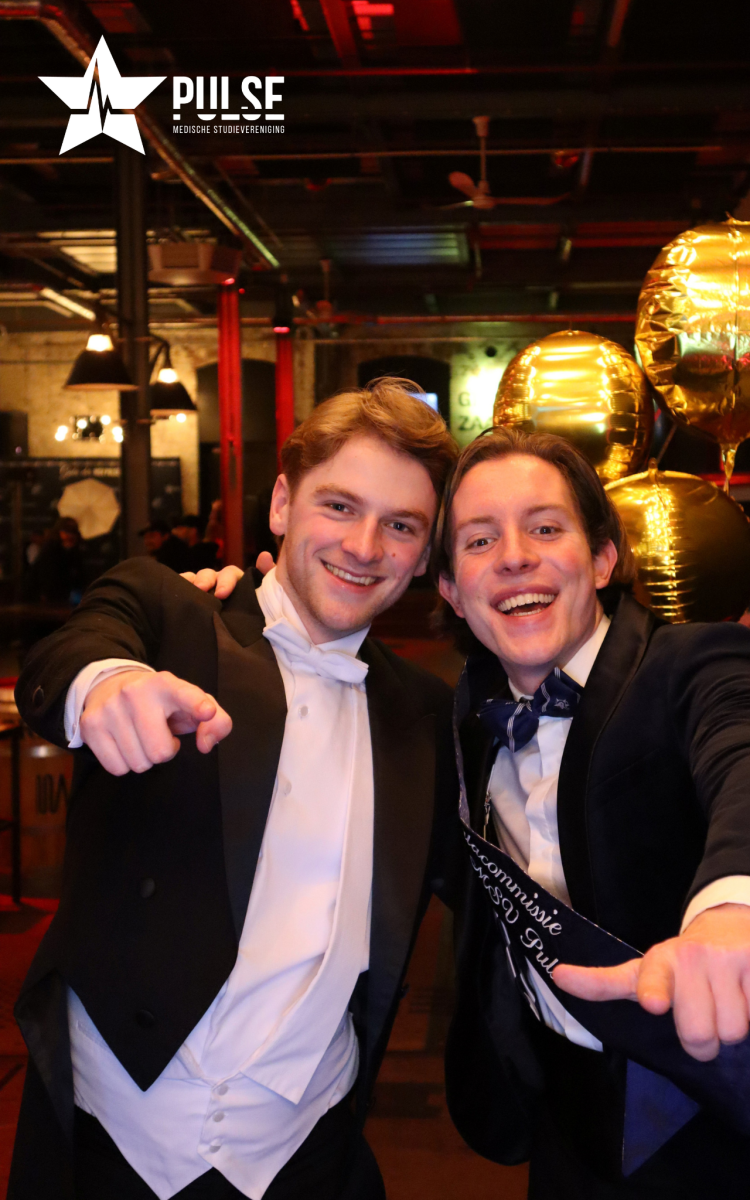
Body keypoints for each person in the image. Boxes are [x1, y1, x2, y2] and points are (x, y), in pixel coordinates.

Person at [11, 379, 460, 1200]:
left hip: (307, 1148)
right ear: (283, 504)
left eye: (401, 525)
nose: (364, 545)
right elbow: (76, 650)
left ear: (426, 553)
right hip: (111, 1140)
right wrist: (107, 685)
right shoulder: (172, 612)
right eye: (339, 506)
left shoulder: (426, 712)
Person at [433, 427, 750, 1199]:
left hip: (739, 1126)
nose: (514, 556)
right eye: (480, 540)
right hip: (568, 1131)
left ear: (603, 558)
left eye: (545, 528)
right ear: (452, 589)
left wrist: (736, 906)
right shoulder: (463, 718)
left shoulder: (696, 663)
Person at [25, 516, 85, 606]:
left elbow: (77, 573)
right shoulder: (51, 548)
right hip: (47, 594)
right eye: (67, 531)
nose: (70, 535)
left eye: (73, 532)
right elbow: (45, 573)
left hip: (64, 593)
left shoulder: (75, 550)